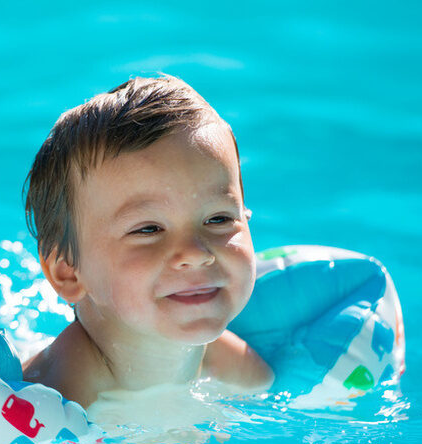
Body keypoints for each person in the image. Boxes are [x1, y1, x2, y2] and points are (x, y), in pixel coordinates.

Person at [21, 75, 273, 409]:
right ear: (69, 272)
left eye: (218, 219)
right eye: (149, 229)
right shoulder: (58, 394)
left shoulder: (233, 366)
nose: (195, 254)